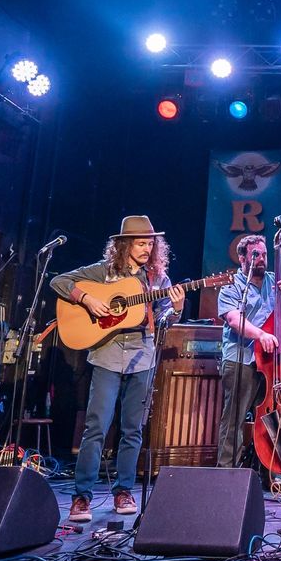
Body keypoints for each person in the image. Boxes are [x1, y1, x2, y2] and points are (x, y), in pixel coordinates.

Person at [53, 215, 184, 522]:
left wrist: (176, 309)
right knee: (96, 426)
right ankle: (82, 497)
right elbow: (58, 282)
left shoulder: (158, 279)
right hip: (107, 353)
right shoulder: (103, 272)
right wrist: (86, 299)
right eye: (140, 243)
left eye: (150, 243)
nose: (146, 249)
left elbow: (165, 320)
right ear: (124, 245)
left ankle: (123, 491)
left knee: (132, 429)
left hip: (142, 355)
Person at [214, 233, 281, 473]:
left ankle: (270, 473)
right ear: (242, 258)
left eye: (264, 255)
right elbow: (234, 319)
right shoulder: (232, 287)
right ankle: (227, 473)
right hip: (241, 359)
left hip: (272, 363)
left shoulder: (276, 281)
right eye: (255, 255)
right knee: (234, 419)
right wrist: (261, 335)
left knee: (272, 418)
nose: (261, 259)